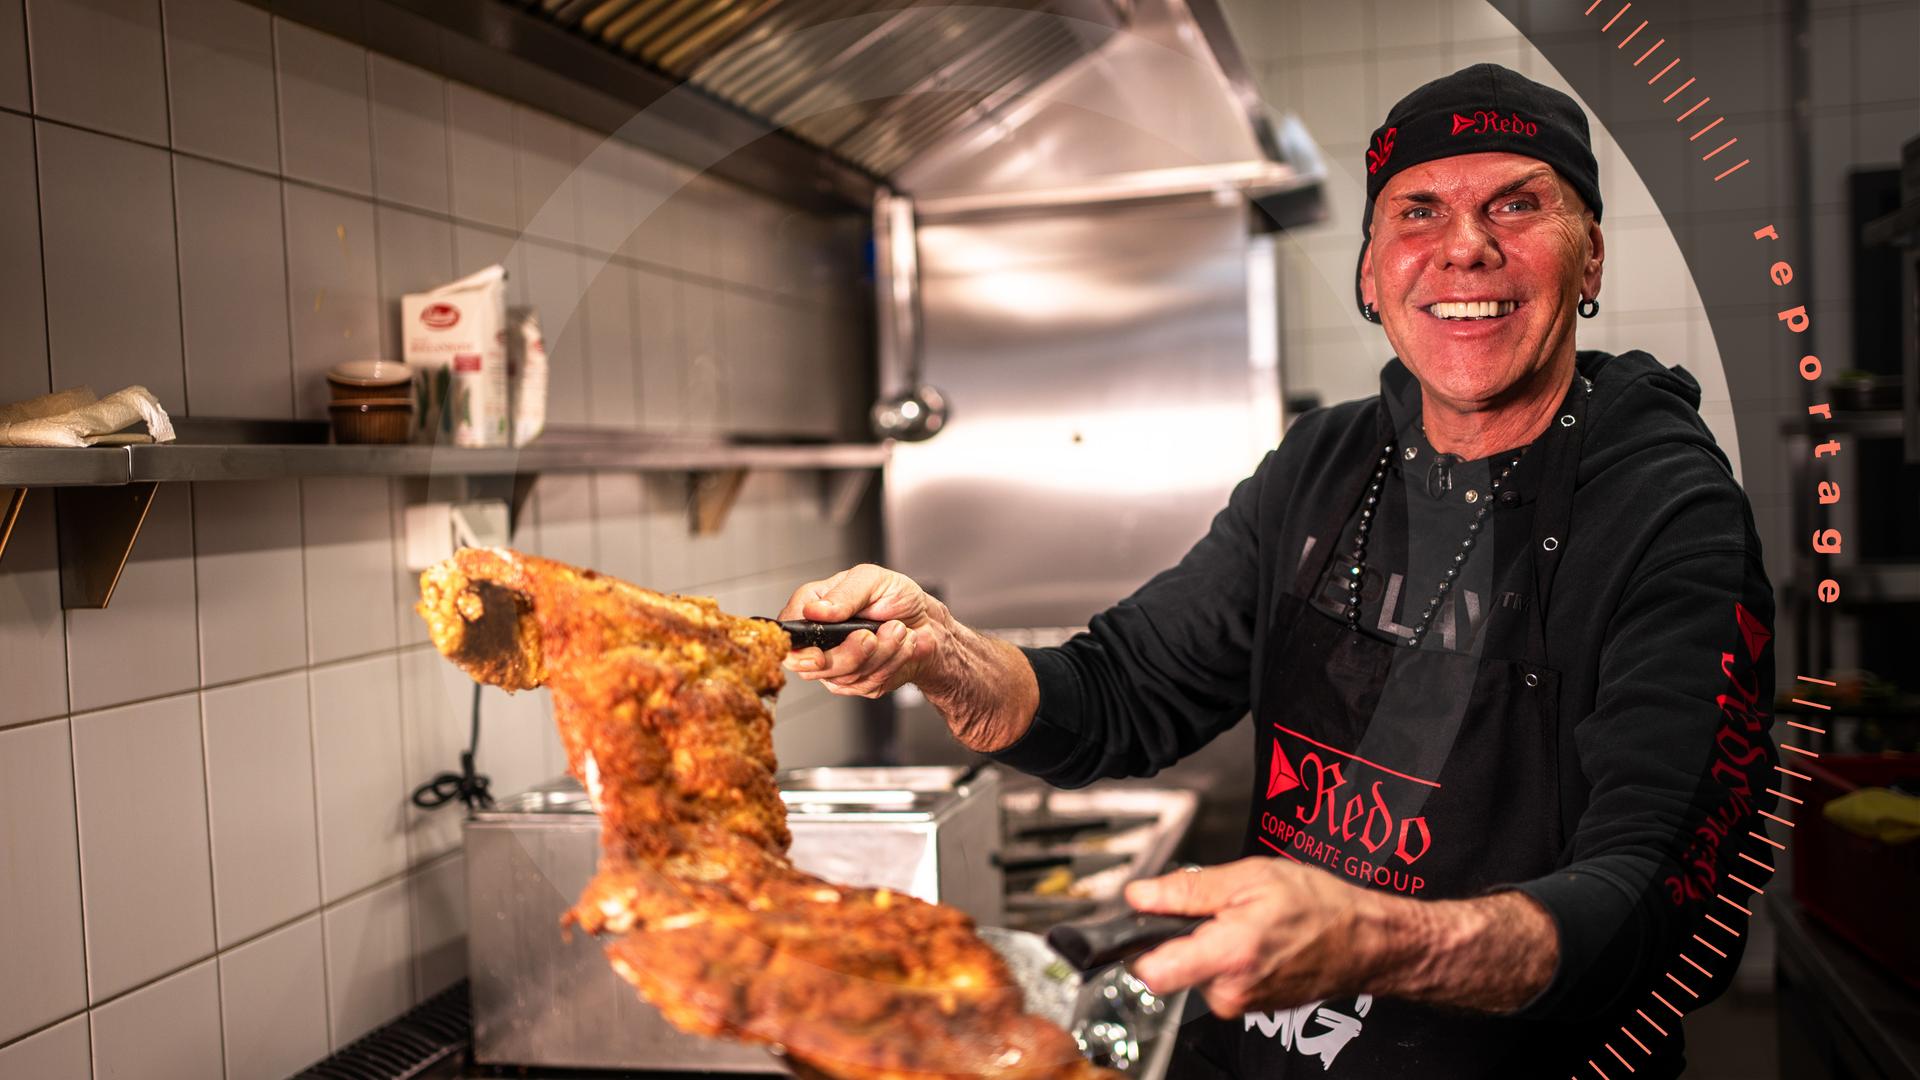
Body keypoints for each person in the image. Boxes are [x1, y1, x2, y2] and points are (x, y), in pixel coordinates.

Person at [779, 64, 1777, 1079]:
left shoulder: (1670, 515)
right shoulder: (1323, 466)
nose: (1466, 247)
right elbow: (1123, 689)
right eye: (1418, 211)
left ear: (1591, 257)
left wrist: (1383, 941)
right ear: (1370, 272)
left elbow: (1671, 901)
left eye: (1518, 205)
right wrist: (943, 655)